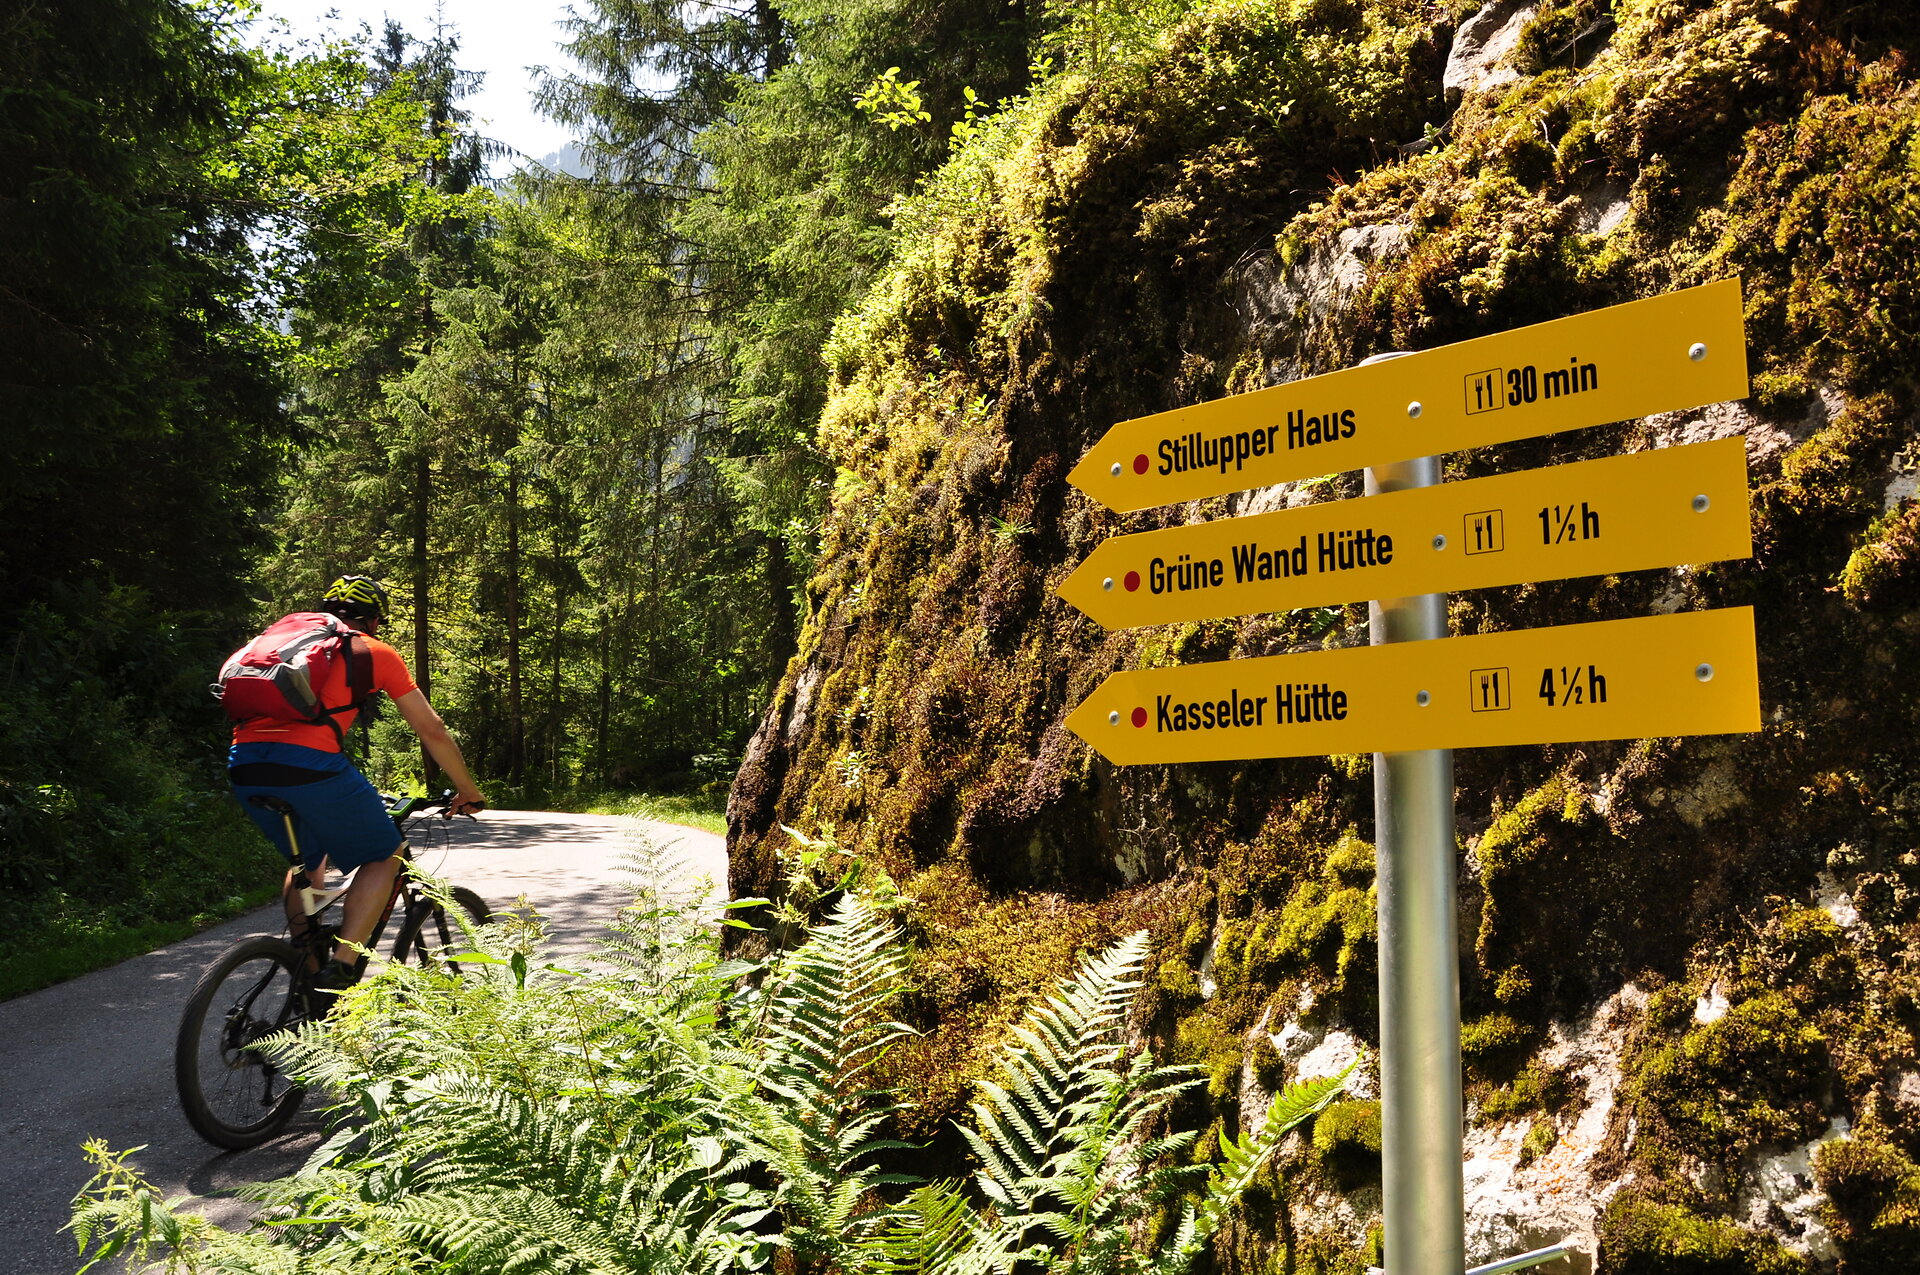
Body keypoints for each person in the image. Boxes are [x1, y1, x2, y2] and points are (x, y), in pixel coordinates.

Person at [226, 575, 485, 996]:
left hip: (244, 766)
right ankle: (342, 969)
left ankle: (308, 968)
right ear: (375, 620)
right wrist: (468, 791)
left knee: (305, 865)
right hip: (312, 768)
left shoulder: (281, 643)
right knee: (387, 856)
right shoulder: (373, 651)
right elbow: (432, 730)